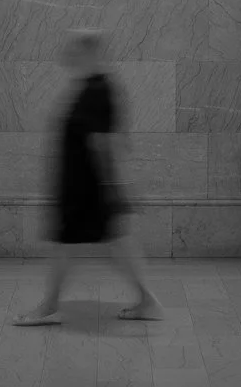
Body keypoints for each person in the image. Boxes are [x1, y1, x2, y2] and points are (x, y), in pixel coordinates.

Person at [14, 29, 162, 324]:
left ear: (87, 51)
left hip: (88, 188)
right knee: (109, 246)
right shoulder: (94, 86)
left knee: (82, 245)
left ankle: (50, 306)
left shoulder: (97, 89)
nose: (66, 54)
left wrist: (112, 188)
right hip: (83, 185)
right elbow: (117, 137)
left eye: (73, 49)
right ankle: (147, 301)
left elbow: (104, 142)